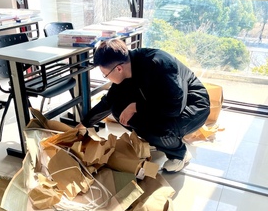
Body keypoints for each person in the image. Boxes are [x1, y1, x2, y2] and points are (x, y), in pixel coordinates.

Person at [81, 40, 210, 173]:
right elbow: (109, 101)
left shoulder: (160, 64)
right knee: (119, 109)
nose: (107, 78)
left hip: (192, 107)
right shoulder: (127, 65)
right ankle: (158, 141)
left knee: (157, 128)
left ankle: (179, 153)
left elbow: (173, 107)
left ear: (118, 69)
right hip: (163, 103)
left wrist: (135, 107)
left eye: (106, 75)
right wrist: (84, 124)